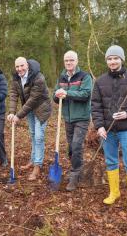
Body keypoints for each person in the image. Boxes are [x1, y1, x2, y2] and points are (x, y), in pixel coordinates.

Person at [91, 45, 127, 213]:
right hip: (107, 132)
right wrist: (99, 126)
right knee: (110, 161)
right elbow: (96, 106)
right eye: (109, 58)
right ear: (106, 61)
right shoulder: (100, 81)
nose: (112, 61)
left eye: (116, 58)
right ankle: (114, 192)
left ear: (121, 59)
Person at [53, 50, 93, 191]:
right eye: (66, 61)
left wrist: (67, 93)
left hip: (81, 117)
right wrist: (56, 94)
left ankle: (75, 174)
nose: (69, 63)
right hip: (67, 118)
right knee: (71, 148)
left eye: (71, 60)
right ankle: (77, 169)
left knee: (76, 145)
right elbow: (56, 96)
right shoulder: (62, 77)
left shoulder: (85, 77)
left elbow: (85, 94)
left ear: (76, 61)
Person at [7, 57, 52, 181]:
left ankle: (37, 165)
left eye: (22, 66)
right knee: (32, 135)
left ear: (27, 65)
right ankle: (33, 160)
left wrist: (18, 115)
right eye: (17, 67)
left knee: (38, 137)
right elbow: (13, 94)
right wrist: (11, 112)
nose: (19, 69)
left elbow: (33, 99)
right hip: (30, 110)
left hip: (42, 109)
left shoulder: (38, 77)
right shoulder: (16, 78)